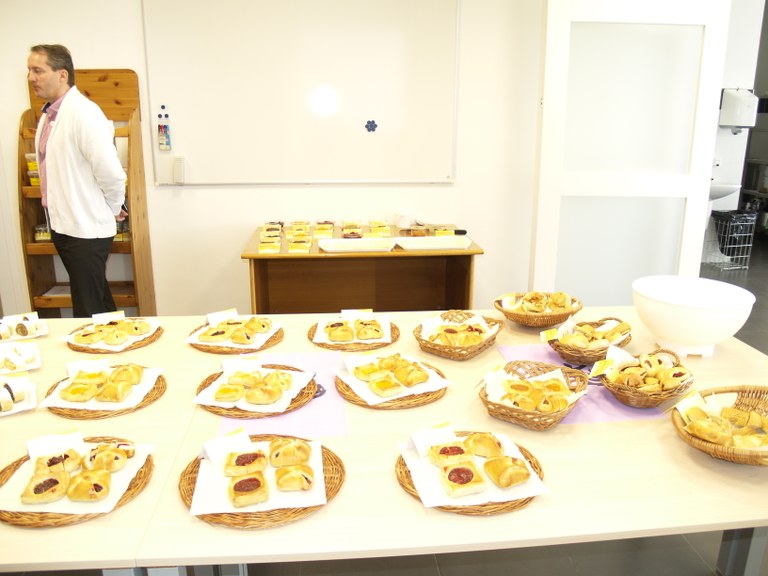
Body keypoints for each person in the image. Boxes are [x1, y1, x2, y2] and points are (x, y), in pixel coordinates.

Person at [26, 44, 128, 318]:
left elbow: (111, 172)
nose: (31, 78)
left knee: (87, 309)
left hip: (85, 228)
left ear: (62, 75)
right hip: (65, 225)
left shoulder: (84, 113)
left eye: (38, 70)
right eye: (29, 71)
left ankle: (100, 346)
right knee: (97, 301)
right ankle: (118, 340)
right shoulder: (50, 115)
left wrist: (113, 207)